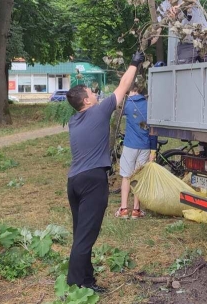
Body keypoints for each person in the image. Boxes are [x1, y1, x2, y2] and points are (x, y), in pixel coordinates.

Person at [64, 51, 145, 292]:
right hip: (92, 181)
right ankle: (76, 284)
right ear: (86, 102)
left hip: (74, 182)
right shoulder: (98, 112)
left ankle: (86, 281)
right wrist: (134, 63)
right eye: (91, 93)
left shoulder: (74, 121)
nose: (95, 94)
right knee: (85, 237)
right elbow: (123, 86)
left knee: (81, 233)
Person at [114, 82, 157, 219]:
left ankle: (124, 209)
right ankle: (136, 210)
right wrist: (153, 151)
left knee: (126, 176)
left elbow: (116, 106)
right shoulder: (150, 106)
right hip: (145, 147)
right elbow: (153, 131)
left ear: (131, 90)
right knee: (138, 177)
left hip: (130, 146)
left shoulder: (128, 104)